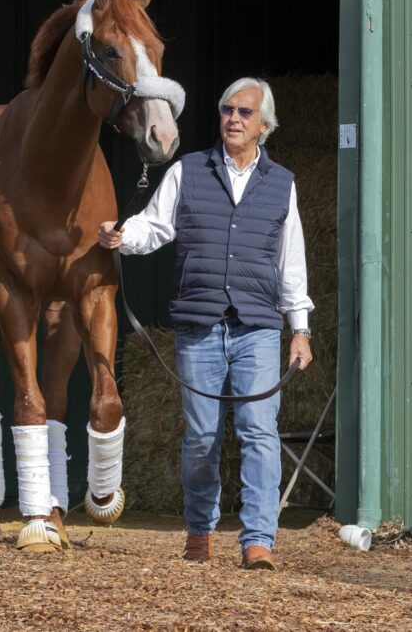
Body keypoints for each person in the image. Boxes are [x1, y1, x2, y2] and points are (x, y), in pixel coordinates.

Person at [99, 77, 313, 570]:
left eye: (244, 112)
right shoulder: (188, 171)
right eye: (226, 109)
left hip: (257, 328)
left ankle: (258, 541)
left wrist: (299, 329)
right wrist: (122, 235)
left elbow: (291, 263)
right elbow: (156, 225)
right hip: (199, 327)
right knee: (201, 438)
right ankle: (200, 530)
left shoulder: (282, 184)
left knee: (260, 432)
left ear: (264, 125)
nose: (233, 118)